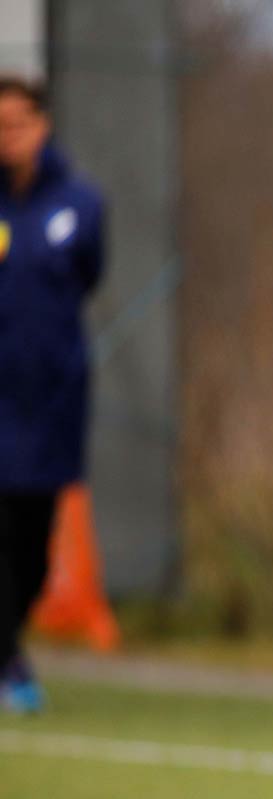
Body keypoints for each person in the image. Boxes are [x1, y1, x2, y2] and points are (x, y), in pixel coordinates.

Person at [0, 76, 106, 714]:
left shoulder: (80, 204)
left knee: (31, 552)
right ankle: (9, 662)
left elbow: (90, 274)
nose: (6, 136)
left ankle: (7, 649)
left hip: (48, 405)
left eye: (16, 123)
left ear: (42, 126)